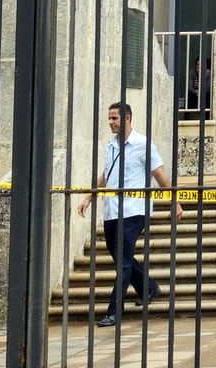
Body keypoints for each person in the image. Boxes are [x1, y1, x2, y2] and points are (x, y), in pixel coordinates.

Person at [77, 101, 181, 327]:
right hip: (112, 211)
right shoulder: (110, 145)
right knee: (119, 256)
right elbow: (107, 174)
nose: (110, 122)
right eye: (109, 118)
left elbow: (160, 176)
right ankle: (149, 288)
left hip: (134, 211)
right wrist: (89, 197)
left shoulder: (143, 145)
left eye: (114, 118)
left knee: (122, 262)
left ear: (126, 118)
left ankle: (114, 311)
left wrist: (175, 201)